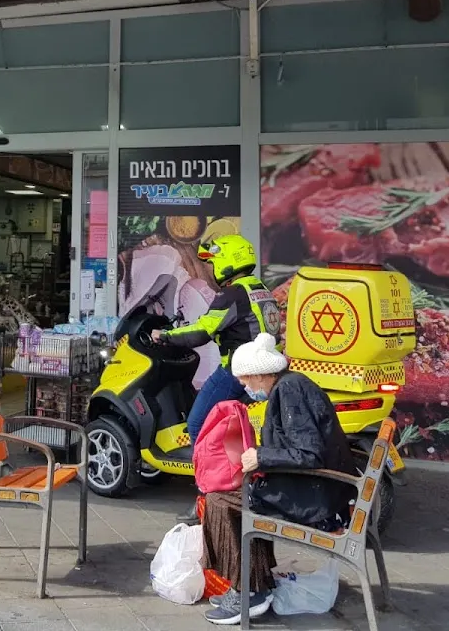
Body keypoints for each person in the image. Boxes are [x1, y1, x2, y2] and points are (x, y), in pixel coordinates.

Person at [201, 332, 357, 625]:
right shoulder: (291, 384)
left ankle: (248, 592)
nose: (245, 386)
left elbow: (309, 453)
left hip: (316, 500)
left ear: (260, 375)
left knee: (219, 501)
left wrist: (261, 456)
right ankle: (254, 585)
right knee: (243, 497)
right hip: (322, 490)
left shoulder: (289, 392)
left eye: (245, 380)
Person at [149, 234, 279, 521]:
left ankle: (206, 495)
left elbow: (201, 331)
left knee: (198, 425)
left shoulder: (233, 295)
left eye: (214, 261)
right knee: (234, 430)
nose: (210, 267)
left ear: (227, 261)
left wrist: (165, 335)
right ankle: (238, 487)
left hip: (237, 371)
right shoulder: (261, 290)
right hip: (263, 372)